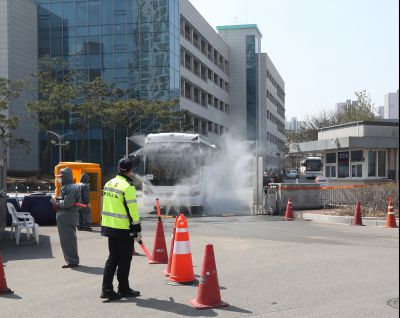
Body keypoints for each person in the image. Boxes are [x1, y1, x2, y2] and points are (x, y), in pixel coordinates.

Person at [100, 157, 142, 300]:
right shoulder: (127, 187)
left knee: (112, 258)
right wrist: (137, 229)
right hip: (123, 229)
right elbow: (133, 211)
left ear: (118, 169)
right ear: (130, 170)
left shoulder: (108, 184)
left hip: (109, 227)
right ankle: (123, 288)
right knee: (125, 259)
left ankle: (106, 289)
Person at [51, 167, 81, 269]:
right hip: (65, 216)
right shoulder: (66, 187)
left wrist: (55, 202)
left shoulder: (72, 188)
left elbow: (67, 203)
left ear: (65, 177)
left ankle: (72, 261)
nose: (59, 179)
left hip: (67, 216)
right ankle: (70, 260)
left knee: (68, 239)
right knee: (66, 239)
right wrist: (57, 200)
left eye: (60, 177)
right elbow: (64, 200)